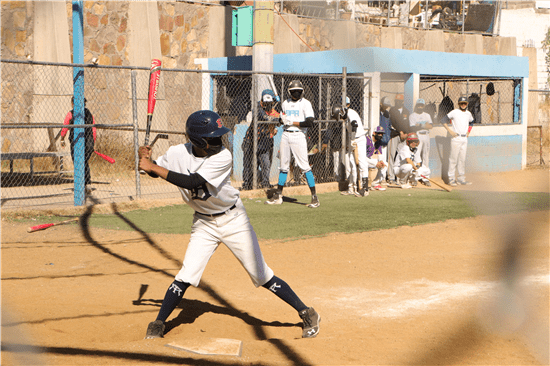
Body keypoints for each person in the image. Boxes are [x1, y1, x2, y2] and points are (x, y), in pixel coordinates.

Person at [138, 110, 321, 340]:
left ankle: (307, 312)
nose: (218, 141)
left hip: (234, 220)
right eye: (212, 138)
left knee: (261, 274)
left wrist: (153, 168)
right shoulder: (177, 153)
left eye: (218, 136)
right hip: (204, 223)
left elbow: (192, 181)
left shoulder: (222, 157)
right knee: (187, 273)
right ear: (196, 140)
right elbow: (159, 169)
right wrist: (147, 162)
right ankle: (158, 323)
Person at [265, 80, 319, 208]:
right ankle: (278, 196)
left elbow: (310, 122)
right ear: (289, 92)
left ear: (302, 92)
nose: (296, 93)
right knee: (283, 166)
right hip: (285, 134)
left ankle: (315, 198)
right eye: (294, 91)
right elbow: (282, 120)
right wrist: (281, 120)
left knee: (304, 165)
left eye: (298, 91)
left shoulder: (306, 104)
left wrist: (293, 122)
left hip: (299, 135)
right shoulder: (285, 104)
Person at [241, 89, 279, 190]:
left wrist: (274, 126)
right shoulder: (258, 108)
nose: (268, 105)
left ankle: (265, 183)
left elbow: (274, 123)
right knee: (249, 165)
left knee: (266, 164)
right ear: (262, 101)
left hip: (264, 142)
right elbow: (264, 117)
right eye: (266, 102)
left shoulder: (273, 112)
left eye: (270, 103)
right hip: (251, 142)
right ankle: (247, 184)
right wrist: (276, 120)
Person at [331, 98, 369, 197]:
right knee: (352, 163)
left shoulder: (351, 113)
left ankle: (365, 189)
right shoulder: (346, 114)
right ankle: (352, 188)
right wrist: (351, 140)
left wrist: (353, 139)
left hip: (359, 139)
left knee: (361, 163)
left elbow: (354, 124)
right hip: (353, 139)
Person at [60, 97, 96, 193]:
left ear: (72, 104)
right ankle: (87, 184)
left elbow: (65, 127)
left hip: (76, 142)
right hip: (89, 142)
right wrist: (93, 142)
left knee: (78, 163)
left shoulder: (71, 113)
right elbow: (94, 130)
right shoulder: (89, 114)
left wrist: (62, 138)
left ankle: (80, 184)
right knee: (84, 162)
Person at [443, 96, 474, 186]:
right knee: (453, 159)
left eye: (465, 103)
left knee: (462, 159)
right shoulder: (454, 112)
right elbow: (443, 120)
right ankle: (451, 179)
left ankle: (461, 178)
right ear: (458, 104)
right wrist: (450, 131)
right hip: (456, 138)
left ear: (467, 104)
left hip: (464, 138)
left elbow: (472, 122)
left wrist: (468, 132)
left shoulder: (468, 113)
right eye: (461, 103)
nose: (463, 105)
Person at [387, 94, 411, 184]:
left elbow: (407, 124)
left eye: (400, 101)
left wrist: (406, 133)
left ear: (403, 101)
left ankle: (401, 178)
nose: (398, 102)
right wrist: (400, 132)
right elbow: (393, 122)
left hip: (404, 136)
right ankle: (391, 177)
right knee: (391, 156)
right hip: (394, 135)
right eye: (397, 101)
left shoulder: (406, 111)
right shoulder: (392, 110)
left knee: (402, 157)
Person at [408, 98, 433, 186]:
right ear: (416, 106)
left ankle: (425, 177)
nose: (420, 107)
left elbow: (430, 126)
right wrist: (423, 125)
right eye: (418, 105)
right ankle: (414, 177)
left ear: (423, 106)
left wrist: (419, 125)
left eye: (421, 105)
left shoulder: (427, 115)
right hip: (417, 136)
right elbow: (412, 128)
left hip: (426, 135)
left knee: (426, 156)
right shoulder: (412, 115)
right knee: (416, 156)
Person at [366, 125, 388, 191]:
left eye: (382, 134)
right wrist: (377, 162)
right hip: (363, 158)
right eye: (379, 133)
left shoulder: (378, 142)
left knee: (385, 164)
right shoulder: (367, 140)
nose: (380, 135)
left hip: (369, 159)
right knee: (375, 163)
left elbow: (379, 154)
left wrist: (381, 161)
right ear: (374, 133)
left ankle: (375, 183)